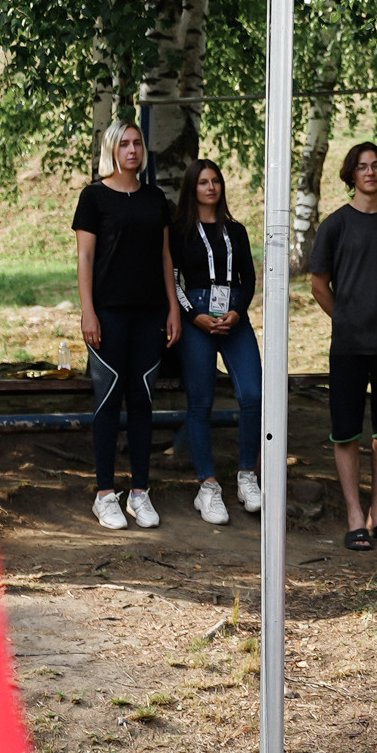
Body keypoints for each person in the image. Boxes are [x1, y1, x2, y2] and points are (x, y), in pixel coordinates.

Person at [307, 140, 377, 550]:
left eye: (376, 165)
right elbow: (318, 284)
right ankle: (354, 515)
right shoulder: (335, 225)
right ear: (351, 175)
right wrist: (345, 317)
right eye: (362, 166)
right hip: (348, 344)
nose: (370, 172)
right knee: (345, 431)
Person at [72, 119, 180, 530]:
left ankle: (139, 492)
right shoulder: (94, 198)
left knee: (142, 401)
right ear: (112, 150)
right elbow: (84, 258)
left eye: (137, 143)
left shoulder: (156, 199)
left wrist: (172, 308)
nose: (132, 150)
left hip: (151, 313)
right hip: (108, 313)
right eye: (125, 144)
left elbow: (166, 258)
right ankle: (104, 494)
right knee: (108, 400)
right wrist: (88, 309)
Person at [171, 158, 264, 526]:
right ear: (192, 189)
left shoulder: (235, 231)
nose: (211, 188)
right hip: (197, 319)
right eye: (203, 182)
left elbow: (249, 277)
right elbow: (174, 281)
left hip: (234, 318)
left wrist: (238, 311)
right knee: (201, 401)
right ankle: (207, 486)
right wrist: (194, 314)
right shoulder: (178, 231)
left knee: (253, 394)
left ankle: (247, 476)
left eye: (216, 182)